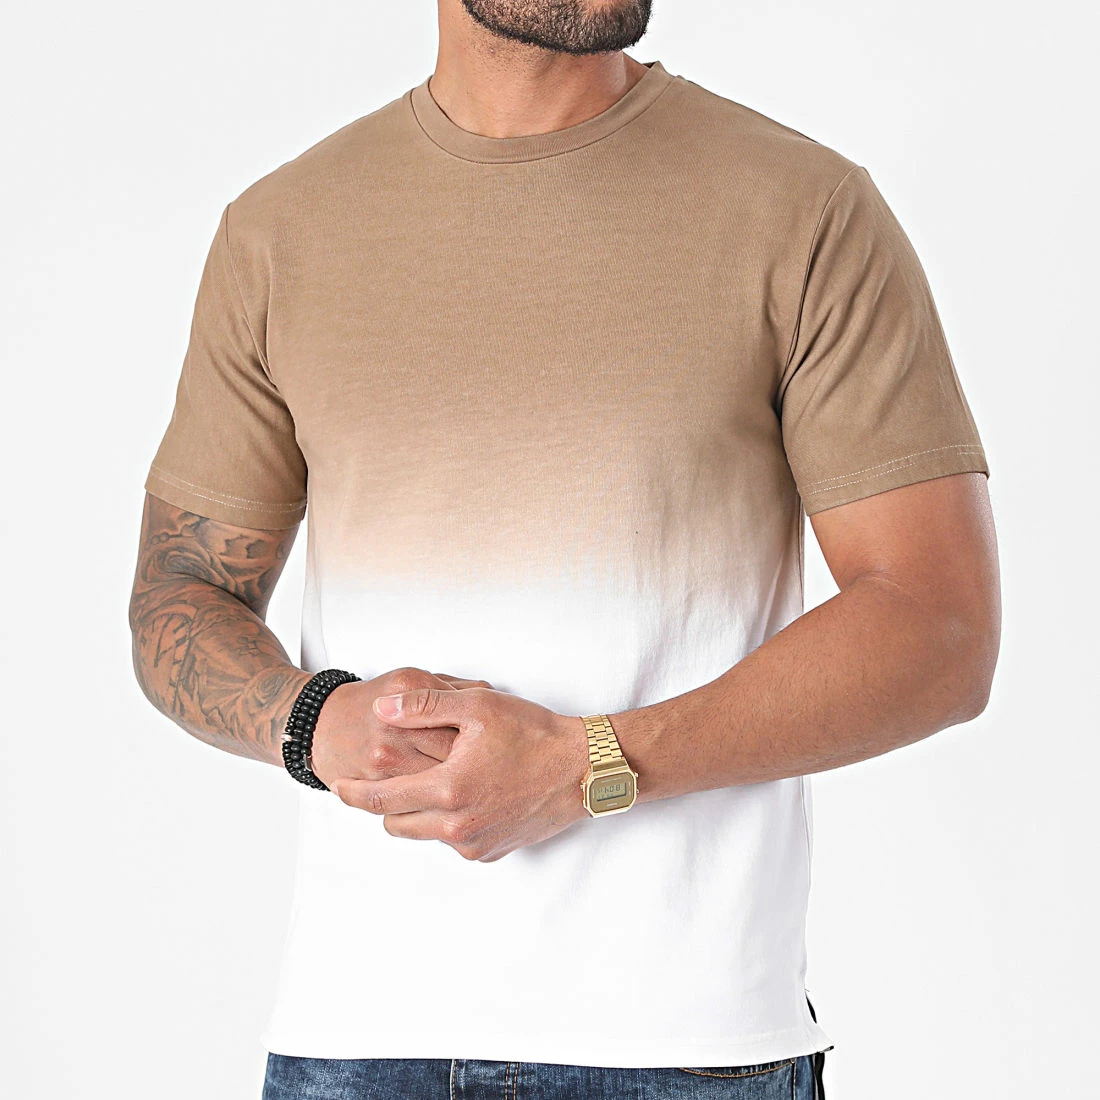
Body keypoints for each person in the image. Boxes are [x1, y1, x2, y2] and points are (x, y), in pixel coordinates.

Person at [128, 1, 1001, 1097]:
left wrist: (588, 764)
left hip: (683, 1044)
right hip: (358, 1034)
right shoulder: (280, 231)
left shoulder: (802, 210)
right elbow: (180, 591)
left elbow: (937, 624)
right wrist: (314, 722)